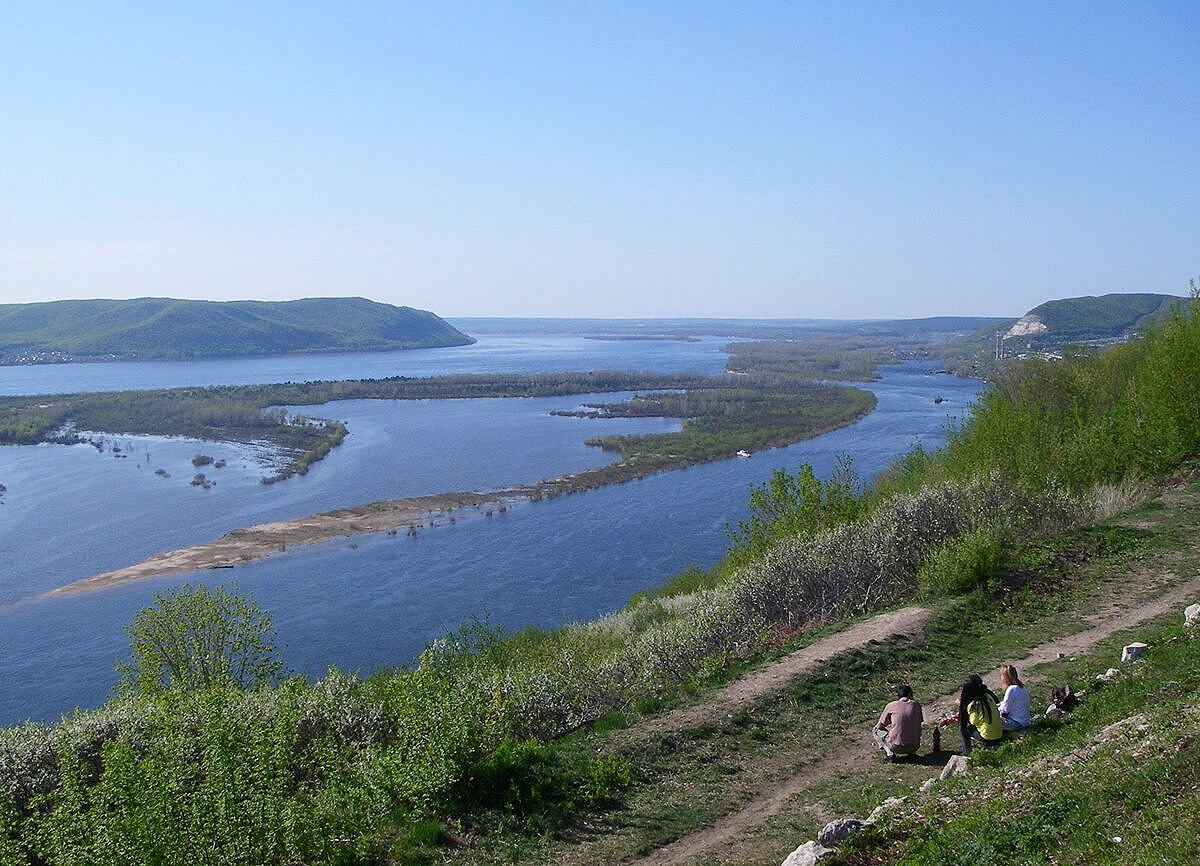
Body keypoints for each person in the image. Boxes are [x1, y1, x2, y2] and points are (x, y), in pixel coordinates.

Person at [873, 684, 923, 761]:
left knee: (875, 730)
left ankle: (890, 754)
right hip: (915, 745)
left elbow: (880, 726)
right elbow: (919, 722)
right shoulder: (916, 705)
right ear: (909, 694)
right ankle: (912, 753)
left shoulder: (891, 705)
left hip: (896, 746)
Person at [958, 674, 1003, 754]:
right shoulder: (988, 695)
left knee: (965, 729)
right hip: (999, 734)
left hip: (987, 737)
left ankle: (966, 752)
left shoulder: (974, 704)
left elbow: (973, 721)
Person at [998, 664, 1031, 731]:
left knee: (990, 720)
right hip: (1025, 721)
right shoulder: (1021, 687)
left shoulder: (1011, 689)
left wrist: (994, 709)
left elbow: (1004, 710)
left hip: (1017, 723)